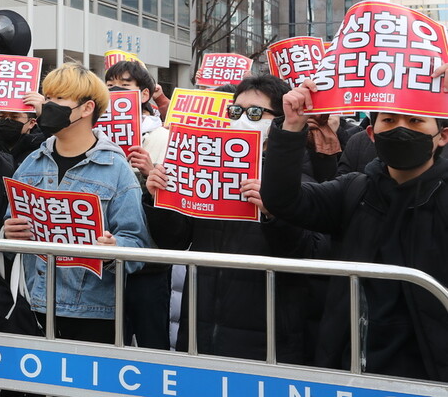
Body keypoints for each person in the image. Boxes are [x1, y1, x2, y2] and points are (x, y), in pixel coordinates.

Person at [261, 79, 448, 381]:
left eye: (415, 120)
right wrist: (293, 126)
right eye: (389, 120)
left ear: (442, 136)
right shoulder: (354, 190)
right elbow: (283, 201)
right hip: (353, 363)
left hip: (432, 368)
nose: (401, 129)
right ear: (371, 134)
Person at [145, 74, 326, 363]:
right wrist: (158, 199)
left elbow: (308, 251)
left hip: (266, 341)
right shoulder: (206, 168)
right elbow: (176, 240)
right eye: (235, 111)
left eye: (255, 112)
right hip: (200, 332)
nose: (242, 119)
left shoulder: (296, 176)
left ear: (279, 120)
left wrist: (274, 211)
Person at [3, 63, 151, 345]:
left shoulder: (116, 168)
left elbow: (137, 244)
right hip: (32, 303)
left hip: (92, 314)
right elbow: (11, 221)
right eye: (47, 98)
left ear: (87, 109)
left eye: (58, 99)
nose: (47, 106)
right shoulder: (31, 162)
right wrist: (10, 231)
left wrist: (113, 250)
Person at [104, 60, 174, 350]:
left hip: (151, 260)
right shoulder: (98, 135)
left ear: (144, 94)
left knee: (151, 342)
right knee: (112, 343)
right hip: (111, 254)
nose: (115, 93)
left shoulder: (164, 136)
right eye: (109, 88)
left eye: (124, 87)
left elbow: (178, 197)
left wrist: (149, 171)